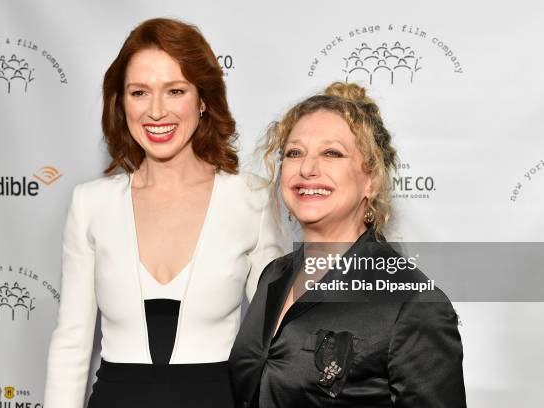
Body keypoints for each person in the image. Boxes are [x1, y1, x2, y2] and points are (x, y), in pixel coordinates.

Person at [43, 18, 285, 408]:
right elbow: (71, 343)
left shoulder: (251, 198)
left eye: (175, 91)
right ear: (121, 103)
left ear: (202, 99)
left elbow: (277, 343)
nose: (156, 111)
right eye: (139, 92)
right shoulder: (91, 203)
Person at [229, 82, 466, 407]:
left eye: (332, 153)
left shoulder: (412, 303)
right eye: (294, 153)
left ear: (371, 180)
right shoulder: (273, 275)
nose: (307, 169)